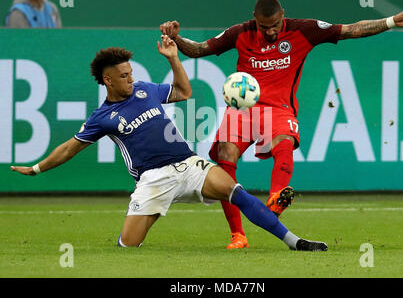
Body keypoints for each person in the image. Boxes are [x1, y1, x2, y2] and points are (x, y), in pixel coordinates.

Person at [10, 35, 328, 251]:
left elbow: (183, 92)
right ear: (107, 80)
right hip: (153, 179)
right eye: (124, 76)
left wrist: (174, 58)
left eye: (131, 73)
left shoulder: (146, 89)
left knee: (235, 191)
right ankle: (126, 242)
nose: (131, 79)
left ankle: (295, 242)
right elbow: (70, 147)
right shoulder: (102, 117)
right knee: (129, 245)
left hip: (189, 165)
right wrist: (37, 169)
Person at [160, 0, 403, 249]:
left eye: (275, 25)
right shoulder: (240, 32)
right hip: (243, 108)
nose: (271, 32)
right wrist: (176, 38)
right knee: (226, 154)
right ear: (254, 19)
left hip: (278, 108)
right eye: (265, 27)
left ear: (283, 16)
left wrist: (391, 21)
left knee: (284, 142)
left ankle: (276, 198)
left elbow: (351, 30)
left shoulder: (304, 30)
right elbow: (198, 50)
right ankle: (238, 235)